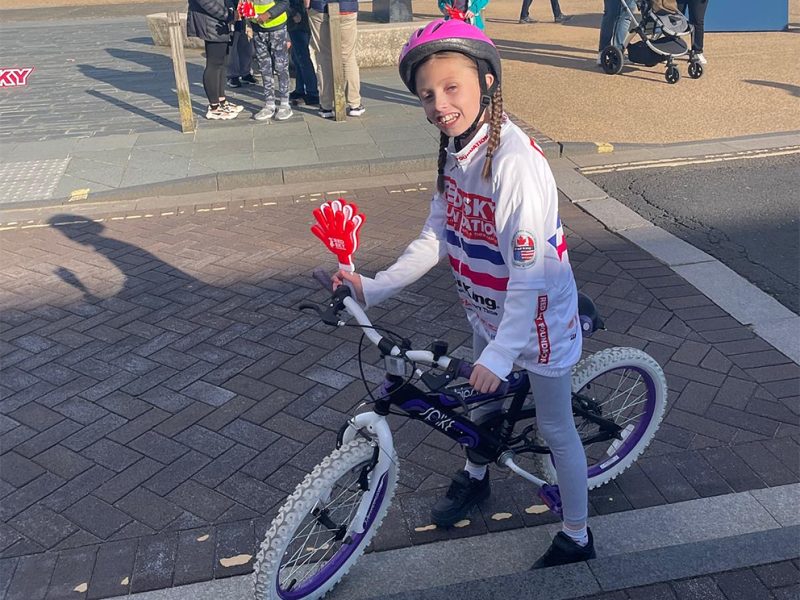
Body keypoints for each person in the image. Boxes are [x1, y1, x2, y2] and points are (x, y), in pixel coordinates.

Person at [333, 19, 593, 569]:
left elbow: (530, 274)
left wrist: (501, 355)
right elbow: (437, 235)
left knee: (555, 428)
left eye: (452, 87)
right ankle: (477, 477)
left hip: (538, 322)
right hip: (487, 311)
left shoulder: (514, 164)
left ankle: (577, 534)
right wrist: (373, 288)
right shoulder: (457, 150)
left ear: (487, 82)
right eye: (427, 94)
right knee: (483, 406)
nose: (439, 104)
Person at [186, 0, 245, 120]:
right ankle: (214, 107)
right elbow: (207, 2)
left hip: (223, 22)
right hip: (212, 22)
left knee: (223, 62)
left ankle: (221, 101)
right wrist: (227, 15)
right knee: (214, 64)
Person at [307, 0, 365, 118]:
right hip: (346, 7)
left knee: (323, 57)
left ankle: (326, 106)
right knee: (347, 57)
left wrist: (307, 6)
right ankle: (354, 104)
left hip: (319, 8)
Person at [247, 0, 293, 121]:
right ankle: (269, 104)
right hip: (257, 28)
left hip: (277, 27)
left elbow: (285, 2)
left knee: (281, 66)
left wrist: (268, 14)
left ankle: (285, 104)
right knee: (264, 68)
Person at [288, 0, 320, 105]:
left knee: (302, 58)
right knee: (297, 57)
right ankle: (300, 89)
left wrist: (294, 13)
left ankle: (312, 92)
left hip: (299, 17)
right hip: (299, 16)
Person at [227, 20, 258, 87]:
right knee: (233, 49)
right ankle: (232, 76)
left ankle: (245, 73)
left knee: (246, 46)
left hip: (245, 19)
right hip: (233, 20)